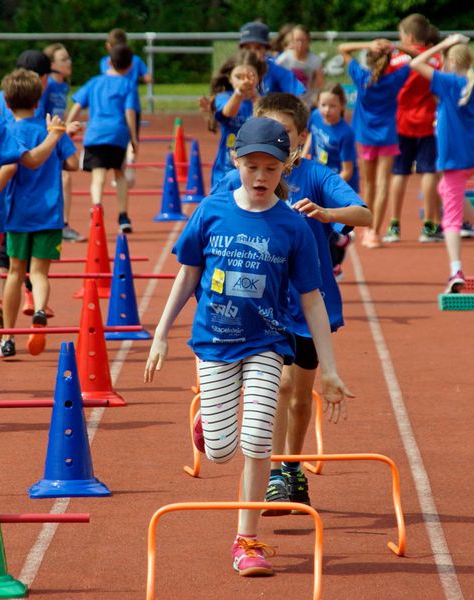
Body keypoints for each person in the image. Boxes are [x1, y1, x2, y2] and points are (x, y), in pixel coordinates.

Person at [145, 116, 352, 577]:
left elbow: (312, 300)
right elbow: (188, 275)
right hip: (214, 343)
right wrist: (160, 332)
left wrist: (332, 370)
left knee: (258, 439)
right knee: (219, 452)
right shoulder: (211, 211)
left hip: (266, 343)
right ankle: (206, 422)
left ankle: (247, 541)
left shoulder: (294, 226)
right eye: (252, 166)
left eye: (272, 169)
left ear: (287, 167)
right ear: (235, 162)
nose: (261, 177)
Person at [211, 93, 371, 514]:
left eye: (283, 135)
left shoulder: (316, 175)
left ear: (301, 138)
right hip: (264, 304)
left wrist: (324, 211)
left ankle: (292, 466)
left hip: (310, 305)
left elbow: (364, 214)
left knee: (301, 397)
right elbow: (216, 216)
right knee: (277, 386)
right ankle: (274, 470)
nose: (273, 143)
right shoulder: (243, 179)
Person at [0, 68, 78, 358]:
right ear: (38, 99)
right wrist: (60, 137)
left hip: (17, 213)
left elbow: (10, 165)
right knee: (40, 272)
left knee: (15, 272)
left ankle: (7, 338)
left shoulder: (7, 132)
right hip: (49, 212)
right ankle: (40, 310)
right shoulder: (50, 128)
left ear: (6, 101)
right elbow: (74, 163)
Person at [410, 34, 474, 293]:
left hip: (455, 158)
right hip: (472, 154)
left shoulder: (449, 81)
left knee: (450, 218)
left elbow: (415, 64)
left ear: (449, 61)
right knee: (446, 191)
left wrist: (440, 45)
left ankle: (455, 270)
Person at [338, 38, 410, 248]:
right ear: (388, 62)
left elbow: (343, 46)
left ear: (369, 60)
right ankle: (375, 232)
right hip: (387, 135)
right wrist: (394, 46)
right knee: (383, 185)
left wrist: (367, 44)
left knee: (368, 184)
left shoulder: (361, 76)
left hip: (366, 135)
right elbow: (416, 55)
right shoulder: (394, 79)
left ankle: (365, 227)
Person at [384, 15, 444, 244]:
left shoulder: (396, 59)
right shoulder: (435, 59)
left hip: (400, 122)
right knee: (428, 172)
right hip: (428, 122)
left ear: (408, 37)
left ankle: (394, 225)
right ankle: (429, 226)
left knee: (399, 173)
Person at [67, 44, 138, 233]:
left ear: (108, 62)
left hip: (95, 134)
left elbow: (77, 105)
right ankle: (123, 217)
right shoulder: (128, 84)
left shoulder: (94, 82)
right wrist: (134, 137)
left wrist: (67, 124)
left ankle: (96, 209)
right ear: (130, 66)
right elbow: (129, 112)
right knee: (119, 174)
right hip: (118, 135)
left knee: (98, 177)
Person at [304, 83, 359, 279]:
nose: (327, 110)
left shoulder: (345, 133)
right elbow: (311, 136)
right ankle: (339, 241)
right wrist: (302, 158)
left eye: (332, 106)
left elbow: (348, 170)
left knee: (324, 223)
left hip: (338, 184)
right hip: (317, 176)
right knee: (316, 223)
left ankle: (335, 261)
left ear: (343, 106)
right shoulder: (315, 117)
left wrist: (328, 188)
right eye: (323, 105)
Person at [44, 43, 85, 244]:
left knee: (65, 177)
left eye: (69, 58)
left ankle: (61, 224)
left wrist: (68, 126)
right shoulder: (47, 85)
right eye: (64, 59)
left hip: (58, 137)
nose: (69, 62)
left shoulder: (63, 86)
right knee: (63, 177)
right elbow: (41, 116)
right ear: (52, 64)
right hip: (46, 137)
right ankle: (62, 225)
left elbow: (59, 115)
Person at [100, 28, 152, 187]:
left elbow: (107, 78)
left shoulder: (105, 62)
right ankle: (129, 163)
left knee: (118, 137)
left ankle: (119, 171)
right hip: (133, 104)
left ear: (109, 46)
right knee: (133, 137)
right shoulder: (135, 60)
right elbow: (149, 78)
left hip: (114, 105)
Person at [208, 50, 265, 187]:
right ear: (229, 78)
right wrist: (239, 93)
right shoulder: (224, 97)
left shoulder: (262, 100)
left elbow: (266, 118)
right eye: (238, 77)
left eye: (250, 76)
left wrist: (254, 96)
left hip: (255, 166)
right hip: (227, 167)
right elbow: (228, 112)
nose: (244, 81)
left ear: (258, 78)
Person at [239, 21, 306, 96]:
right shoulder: (234, 69)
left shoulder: (274, 69)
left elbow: (301, 95)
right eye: (247, 48)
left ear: (266, 50)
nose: (252, 52)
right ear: (241, 50)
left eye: (258, 48)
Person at [276, 24, 325, 108]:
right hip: (286, 104)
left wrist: (315, 102)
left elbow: (320, 85)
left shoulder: (315, 61)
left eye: (303, 40)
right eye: (297, 40)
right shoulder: (283, 60)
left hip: (307, 105)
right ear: (292, 41)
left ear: (309, 41)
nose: (300, 44)